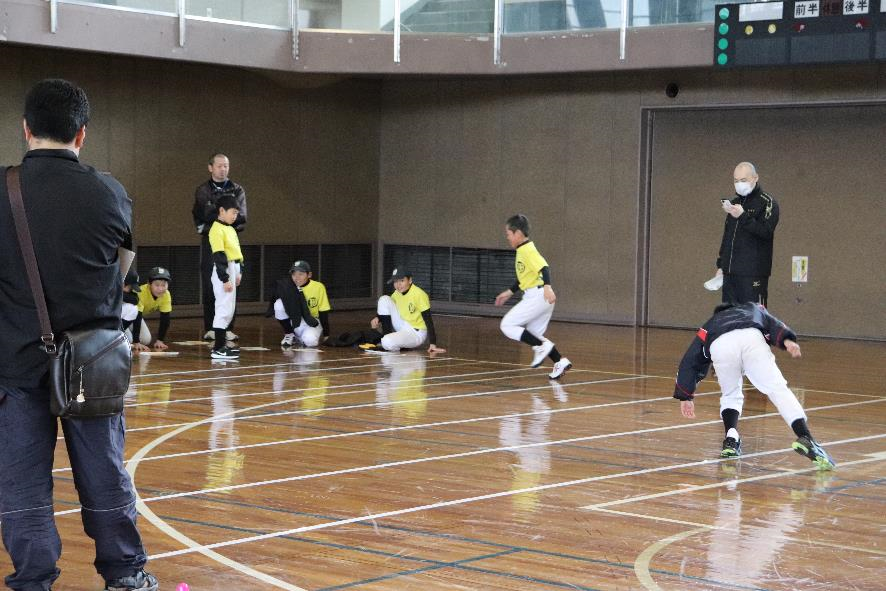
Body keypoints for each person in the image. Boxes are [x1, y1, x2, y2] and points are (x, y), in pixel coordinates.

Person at [0, 79, 157, 590]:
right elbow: (122, 269)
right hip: (93, 363)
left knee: (23, 484)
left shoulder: (3, 190)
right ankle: (125, 573)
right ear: (82, 133)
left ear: (26, 129)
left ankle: (33, 580)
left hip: (15, 363)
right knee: (105, 474)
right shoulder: (109, 192)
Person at [672, 302, 835, 470]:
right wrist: (787, 340)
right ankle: (805, 436)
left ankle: (731, 439)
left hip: (720, 344)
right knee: (777, 389)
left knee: (730, 394)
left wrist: (685, 395)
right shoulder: (752, 308)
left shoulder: (709, 325)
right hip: (751, 338)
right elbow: (772, 323)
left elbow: (690, 359)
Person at [494, 214, 571, 380]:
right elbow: (525, 277)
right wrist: (509, 292)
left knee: (507, 325)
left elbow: (544, 267)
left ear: (518, 233)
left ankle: (540, 346)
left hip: (538, 296)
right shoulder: (523, 250)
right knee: (533, 334)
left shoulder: (527, 250)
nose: (507, 238)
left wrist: (547, 287)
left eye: (508, 234)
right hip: (540, 296)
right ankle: (559, 361)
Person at [192, 153, 246, 341]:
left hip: (231, 240)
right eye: (219, 165)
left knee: (231, 290)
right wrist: (220, 216)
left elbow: (242, 218)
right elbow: (203, 214)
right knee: (212, 285)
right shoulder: (203, 190)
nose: (223, 169)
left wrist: (216, 211)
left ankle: (227, 328)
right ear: (211, 167)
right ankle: (211, 328)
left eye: (226, 166)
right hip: (212, 240)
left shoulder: (237, 189)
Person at [716, 162, 779, 306]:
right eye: (736, 180)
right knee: (730, 316)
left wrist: (743, 216)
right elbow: (727, 238)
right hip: (730, 275)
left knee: (752, 316)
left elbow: (766, 232)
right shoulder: (734, 203)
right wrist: (721, 266)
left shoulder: (768, 203)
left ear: (755, 178)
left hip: (753, 275)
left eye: (743, 180)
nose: (739, 184)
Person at [366, 268, 446, 354]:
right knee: (384, 299)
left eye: (402, 281)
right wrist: (377, 318)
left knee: (386, 341)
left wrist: (433, 343)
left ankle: (388, 342)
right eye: (395, 282)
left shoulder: (419, 294)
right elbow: (387, 307)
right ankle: (387, 338)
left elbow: (428, 320)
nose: (398, 285)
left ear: (410, 280)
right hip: (402, 325)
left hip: (416, 333)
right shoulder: (397, 293)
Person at [208, 194, 243, 360]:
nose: (235, 216)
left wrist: (239, 271)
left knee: (229, 309)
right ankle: (218, 348)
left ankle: (222, 346)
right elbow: (219, 255)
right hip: (224, 269)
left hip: (232, 267)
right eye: (233, 212)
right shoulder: (216, 229)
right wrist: (225, 278)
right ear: (222, 211)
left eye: (236, 213)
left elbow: (236, 252)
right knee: (223, 307)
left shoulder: (230, 228)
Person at [270, 260, 331, 348]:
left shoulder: (318, 287)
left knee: (310, 342)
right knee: (279, 304)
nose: (297, 277)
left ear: (309, 275)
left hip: (312, 321)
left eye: (300, 274)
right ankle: (289, 334)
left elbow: (323, 312)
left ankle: (300, 338)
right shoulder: (287, 287)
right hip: (295, 320)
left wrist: (326, 335)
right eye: (294, 274)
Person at [133, 266, 173, 351]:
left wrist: (160, 340)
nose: (160, 289)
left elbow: (165, 318)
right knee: (128, 339)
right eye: (157, 285)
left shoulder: (166, 294)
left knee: (146, 340)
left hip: (135, 317)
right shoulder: (140, 292)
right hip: (123, 317)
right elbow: (137, 317)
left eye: (164, 285)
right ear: (149, 284)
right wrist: (136, 341)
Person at [121, 268, 150, 353]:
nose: (130, 290)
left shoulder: (130, 295)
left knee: (134, 340)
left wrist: (136, 341)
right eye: (129, 287)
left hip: (120, 322)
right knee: (128, 340)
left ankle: (118, 334)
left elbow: (135, 300)